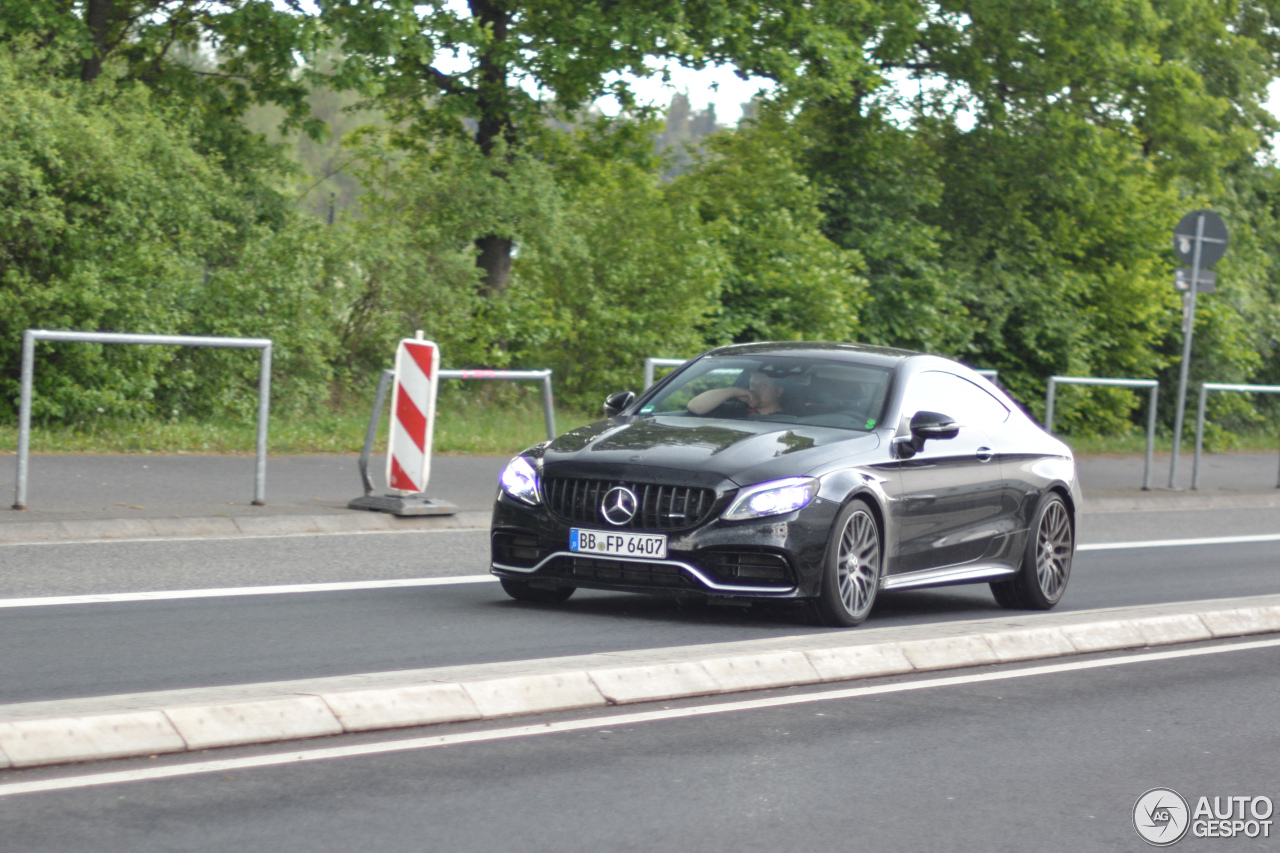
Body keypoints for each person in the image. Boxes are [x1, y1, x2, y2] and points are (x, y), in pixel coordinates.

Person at [687, 370, 785, 416]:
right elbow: (694, 406)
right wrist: (733, 391)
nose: (755, 389)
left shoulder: (793, 417)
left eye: (764, 385)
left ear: (778, 392)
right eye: (753, 384)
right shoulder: (736, 409)